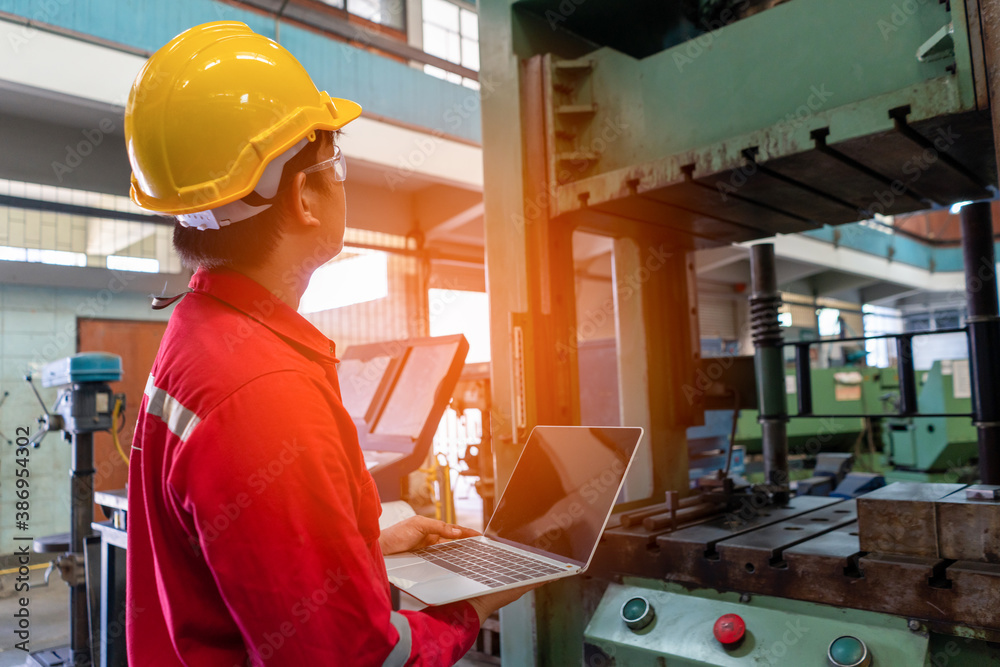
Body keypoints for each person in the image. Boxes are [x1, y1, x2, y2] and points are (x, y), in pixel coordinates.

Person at [124, 21, 534, 666]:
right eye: (334, 159)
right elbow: (352, 657)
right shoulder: (265, 394)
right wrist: (469, 608)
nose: (343, 179)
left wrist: (365, 549)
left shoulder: (200, 330)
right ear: (305, 194)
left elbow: (240, 561)